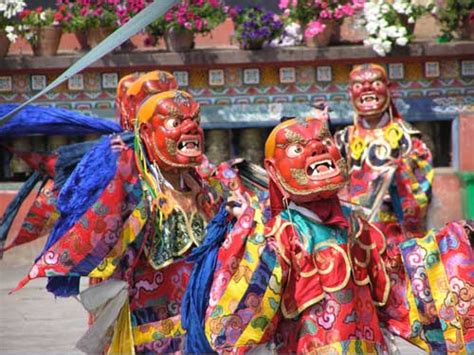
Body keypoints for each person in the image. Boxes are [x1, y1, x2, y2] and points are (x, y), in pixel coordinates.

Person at [10, 71, 217, 353]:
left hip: (194, 319)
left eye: (194, 119)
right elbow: (99, 230)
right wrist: (122, 181)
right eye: (175, 120)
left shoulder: (202, 179)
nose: (190, 127)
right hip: (144, 321)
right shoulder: (123, 172)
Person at [199, 115, 390, 353]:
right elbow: (237, 321)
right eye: (298, 147)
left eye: (324, 141)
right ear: (273, 170)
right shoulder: (279, 235)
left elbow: (398, 288)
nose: (317, 148)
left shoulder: (358, 226)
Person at [335, 63, 474, 352]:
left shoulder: (410, 139)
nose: (368, 90)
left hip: (396, 237)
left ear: (389, 89)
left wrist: (399, 177)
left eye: (375, 82)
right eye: (359, 85)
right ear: (350, 93)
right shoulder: (341, 141)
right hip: (353, 240)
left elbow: (421, 192)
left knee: (402, 306)